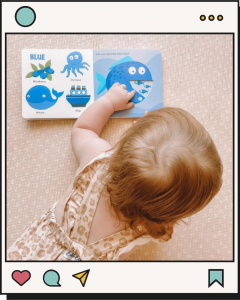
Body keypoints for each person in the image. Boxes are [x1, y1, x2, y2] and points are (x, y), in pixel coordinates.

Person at [7, 83, 223, 261]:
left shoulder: (97, 160)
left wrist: (109, 102)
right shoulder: (149, 229)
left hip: (33, 254)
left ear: (123, 148)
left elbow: (83, 129)